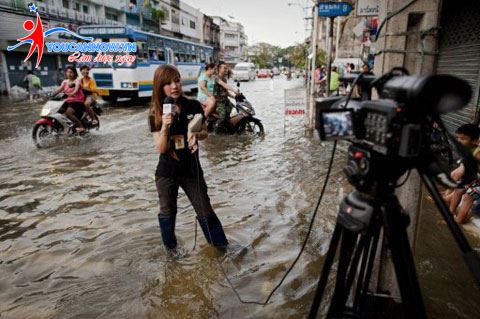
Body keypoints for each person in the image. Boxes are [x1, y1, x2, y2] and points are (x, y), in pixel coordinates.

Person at [150, 64, 229, 252]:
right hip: (166, 173)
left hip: (191, 170)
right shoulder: (156, 113)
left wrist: (196, 134)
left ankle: (221, 248)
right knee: (168, 213)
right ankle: (172, 251)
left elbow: (205, 132)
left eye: (176, 80)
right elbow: (161, 148)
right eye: (168, 83)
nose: (174, 86)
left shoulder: (193, 105)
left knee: (205, 210)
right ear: (160, 87)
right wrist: (165, 126)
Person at [443, 124, 480, 216]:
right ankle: (448, 203)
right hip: (473, 177)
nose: (458, 141)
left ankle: (451, 211)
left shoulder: (477, 154)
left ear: (475, 141)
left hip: (477, 179)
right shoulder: (467, 149)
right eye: (458, 138)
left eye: (463, 139)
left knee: (463, 191)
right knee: (455, 176)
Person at [52, 66, 86, 133]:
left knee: (68, 113)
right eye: (67, 72)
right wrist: (53, 94)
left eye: (71, 72)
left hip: (77, 101)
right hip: (68, 101)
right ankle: (62, 125)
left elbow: (76, 89)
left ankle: (81, 127)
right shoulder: (65, 82)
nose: (69, 74)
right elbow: (59, 89)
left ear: (75, 73)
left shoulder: (77, 81)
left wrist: (72, 93)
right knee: (55, 111)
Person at [213, 61, 239, 133]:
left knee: (236, 109)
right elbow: (225, 86)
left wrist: (235, 97)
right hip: (219, 102)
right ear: (219, 69)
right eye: (224, 68)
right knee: (223, 117)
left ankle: (228, 129)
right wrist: (234, 91)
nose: (226, 70)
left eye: (226, 68)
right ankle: (215, 132)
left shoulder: (224, 79)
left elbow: (226, 92)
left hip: (225, 100)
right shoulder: (216, 77)